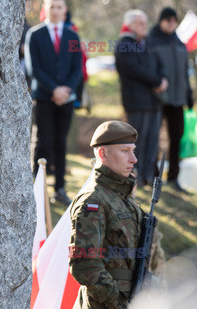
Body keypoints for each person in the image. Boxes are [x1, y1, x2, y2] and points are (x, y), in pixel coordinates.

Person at [69, 120, 142, 309]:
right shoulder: (93, 201)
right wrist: (119, 303)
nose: (133, 159)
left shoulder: (124, 198)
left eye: (133, 151)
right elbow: (85, 265)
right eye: (125, 151)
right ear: (103, 154)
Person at [25, 0, 82, 204]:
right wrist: (53, 90)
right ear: (45, 9)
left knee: (61, 142)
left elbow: (77, 68)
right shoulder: (35, 35)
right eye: (52, 7)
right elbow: (34, 68)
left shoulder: (73, 36)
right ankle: (37, 189)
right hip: (43, 97)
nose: (56, 11)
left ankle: (59, 188)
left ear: (65, 10)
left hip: (66, 99)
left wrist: (65, 89)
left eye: (59, 7)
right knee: (42, 141)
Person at [114, 10, 167, 187]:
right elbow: (135, 69)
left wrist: (161, 80)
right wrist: (157, 81)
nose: (145, 26)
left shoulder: (146, 43)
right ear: (130, 24)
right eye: (140, 23)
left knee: (152, 141)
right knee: (138, 142)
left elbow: (157, 65)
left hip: (153, 100)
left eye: (145, 22)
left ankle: (149, 176)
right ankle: (134, 176)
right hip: (136, 101)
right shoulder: (124, 43)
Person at [148, 7, 194, 193]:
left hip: (177, 99)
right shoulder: (151, 41)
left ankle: (173, 177)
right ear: (161, 21)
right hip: (157, 99)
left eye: (174, 20)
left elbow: (184, 73)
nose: (171, 23)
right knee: (154, 138)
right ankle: (153, 177)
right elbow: (149, 69)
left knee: (177, 137)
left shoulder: (179, 43)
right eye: (168, 20)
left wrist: (189, 94)